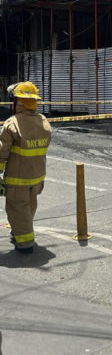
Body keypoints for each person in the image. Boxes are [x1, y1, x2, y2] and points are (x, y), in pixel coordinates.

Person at [0, 82, 51, 254]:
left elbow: (2, 151)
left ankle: (25, 243)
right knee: (29, 206)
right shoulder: (43, 121)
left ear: (18, 102)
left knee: (17, 208)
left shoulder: (12, 123)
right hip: (37, 176)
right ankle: (19, 232)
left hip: (18, 178)